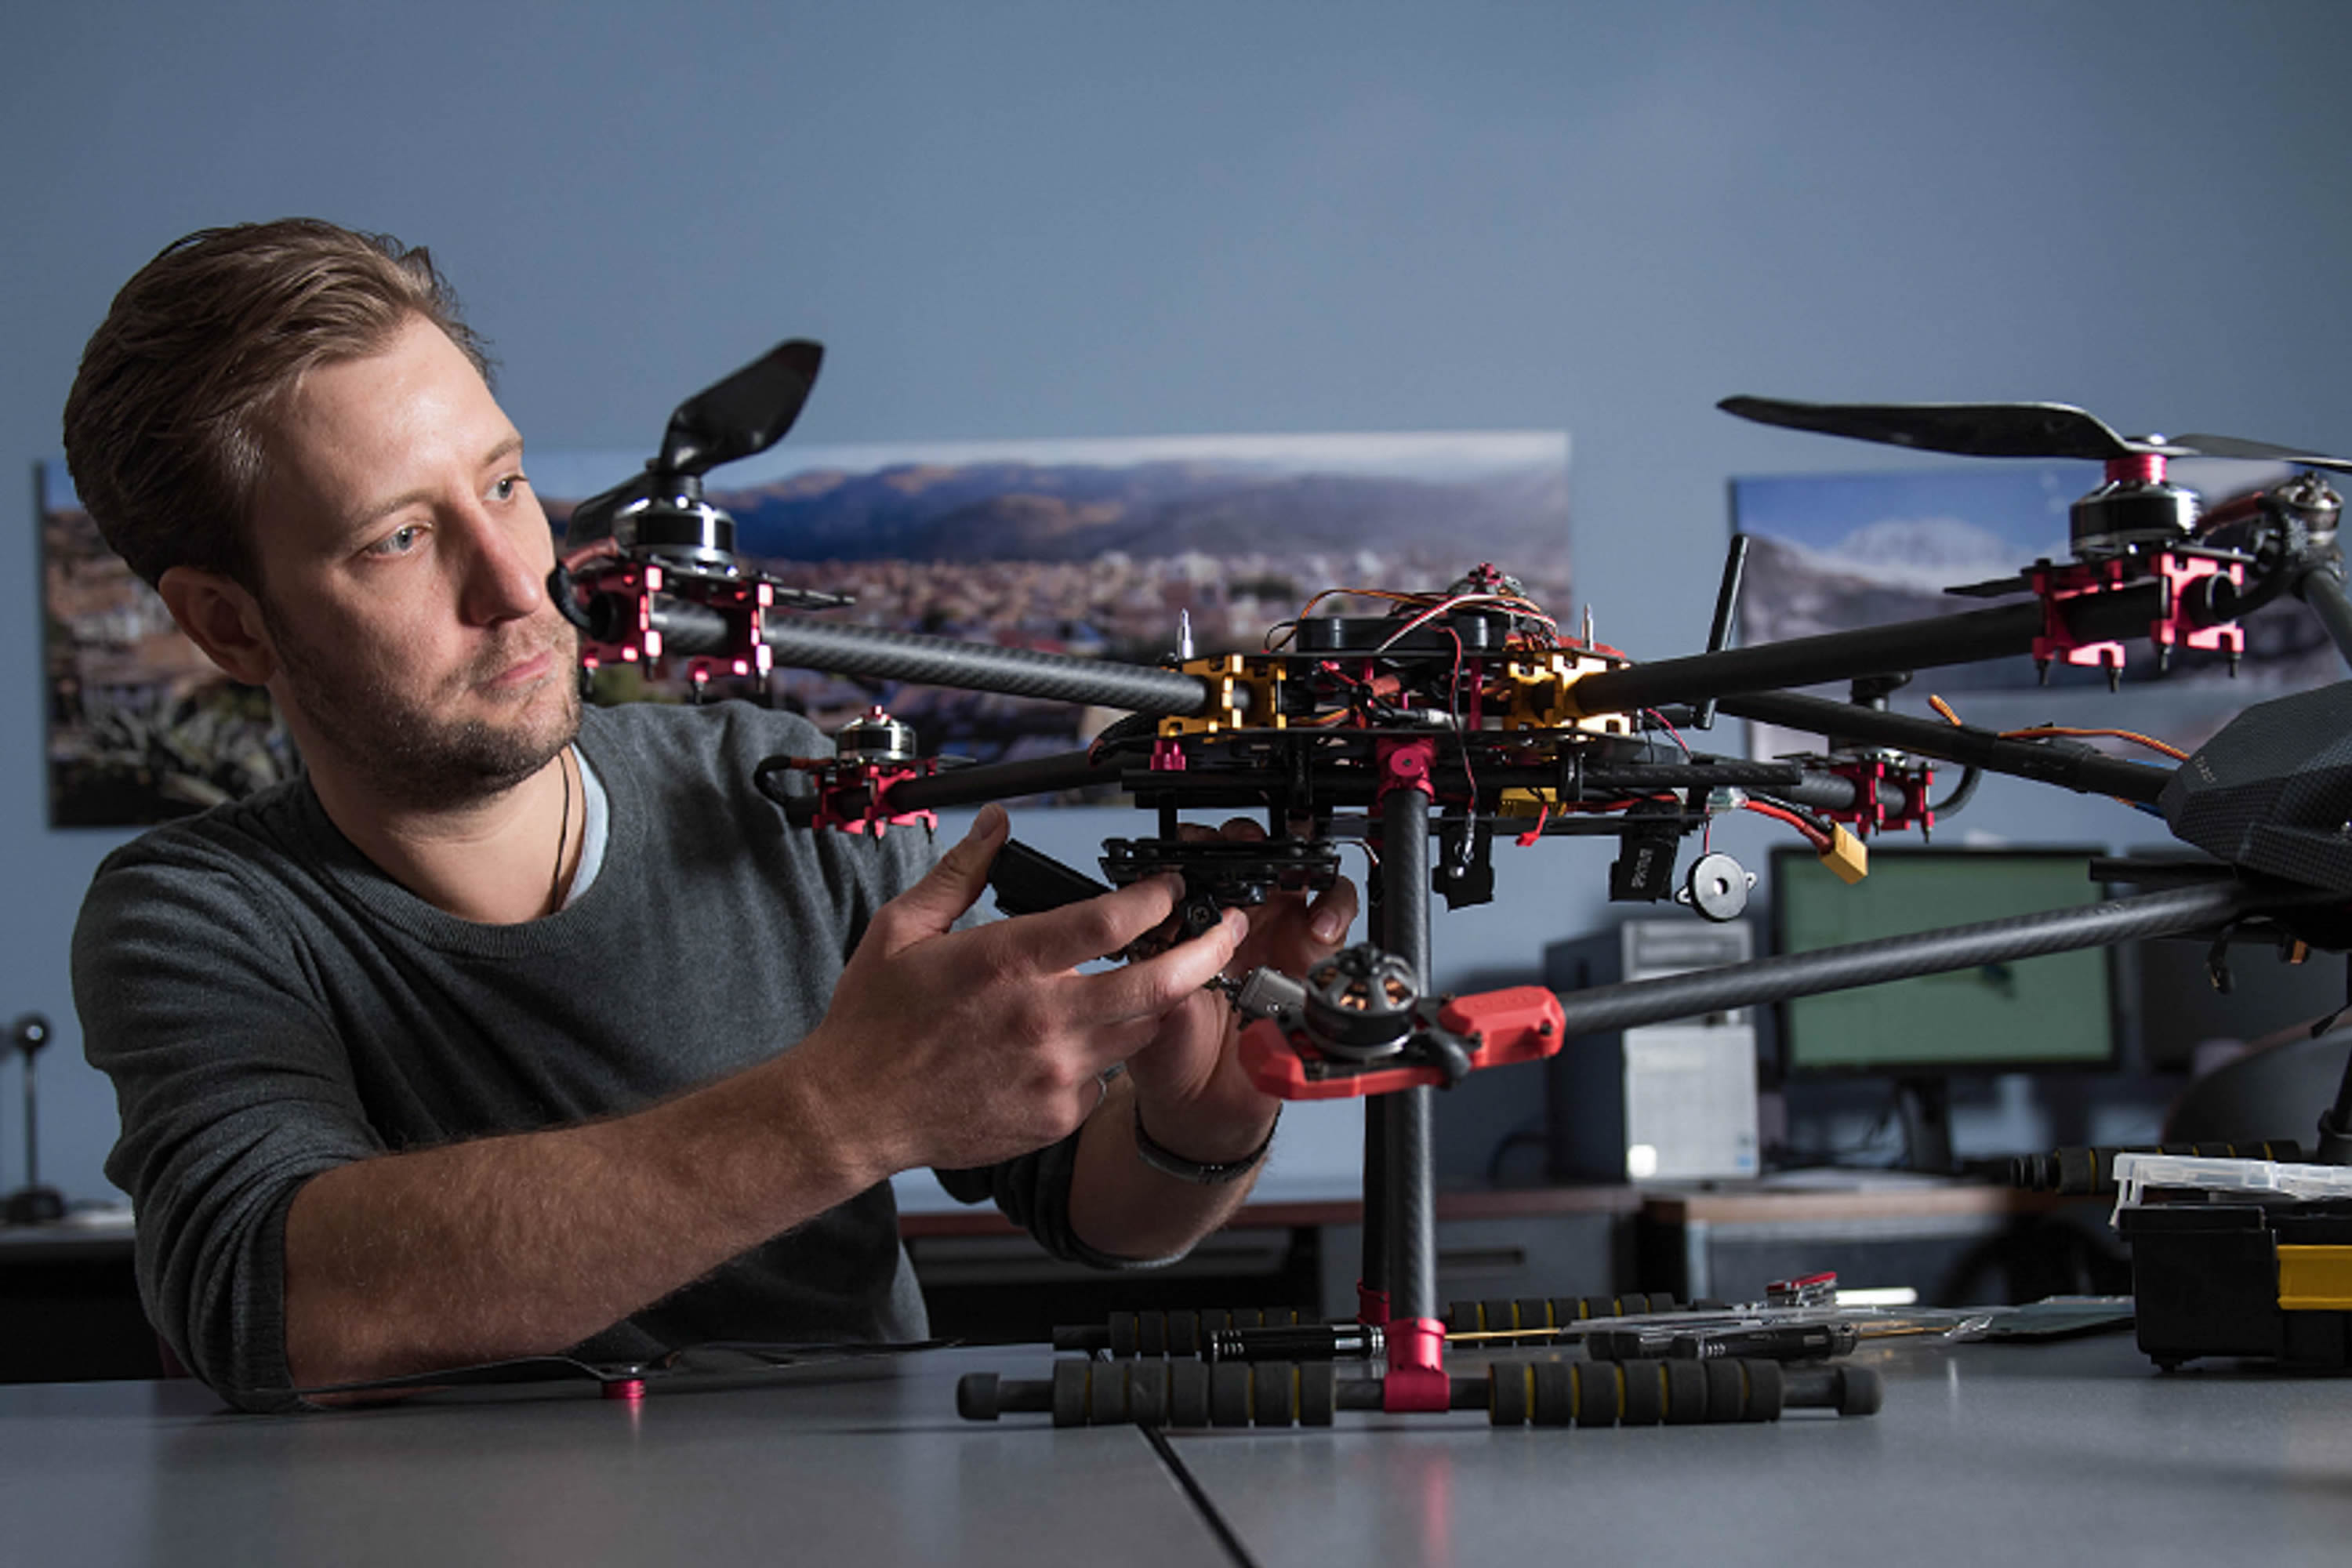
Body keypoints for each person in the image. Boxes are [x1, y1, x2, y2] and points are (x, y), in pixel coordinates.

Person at [63, 219, 1354, 1410]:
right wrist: (844, 1114)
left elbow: (1089, 1204)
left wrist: (1206, 1120)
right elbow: (278, 1303)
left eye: (506, 484)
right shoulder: (200, 916)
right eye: (398, 538)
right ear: (230, 623)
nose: (520, 579)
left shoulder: (782, 794)